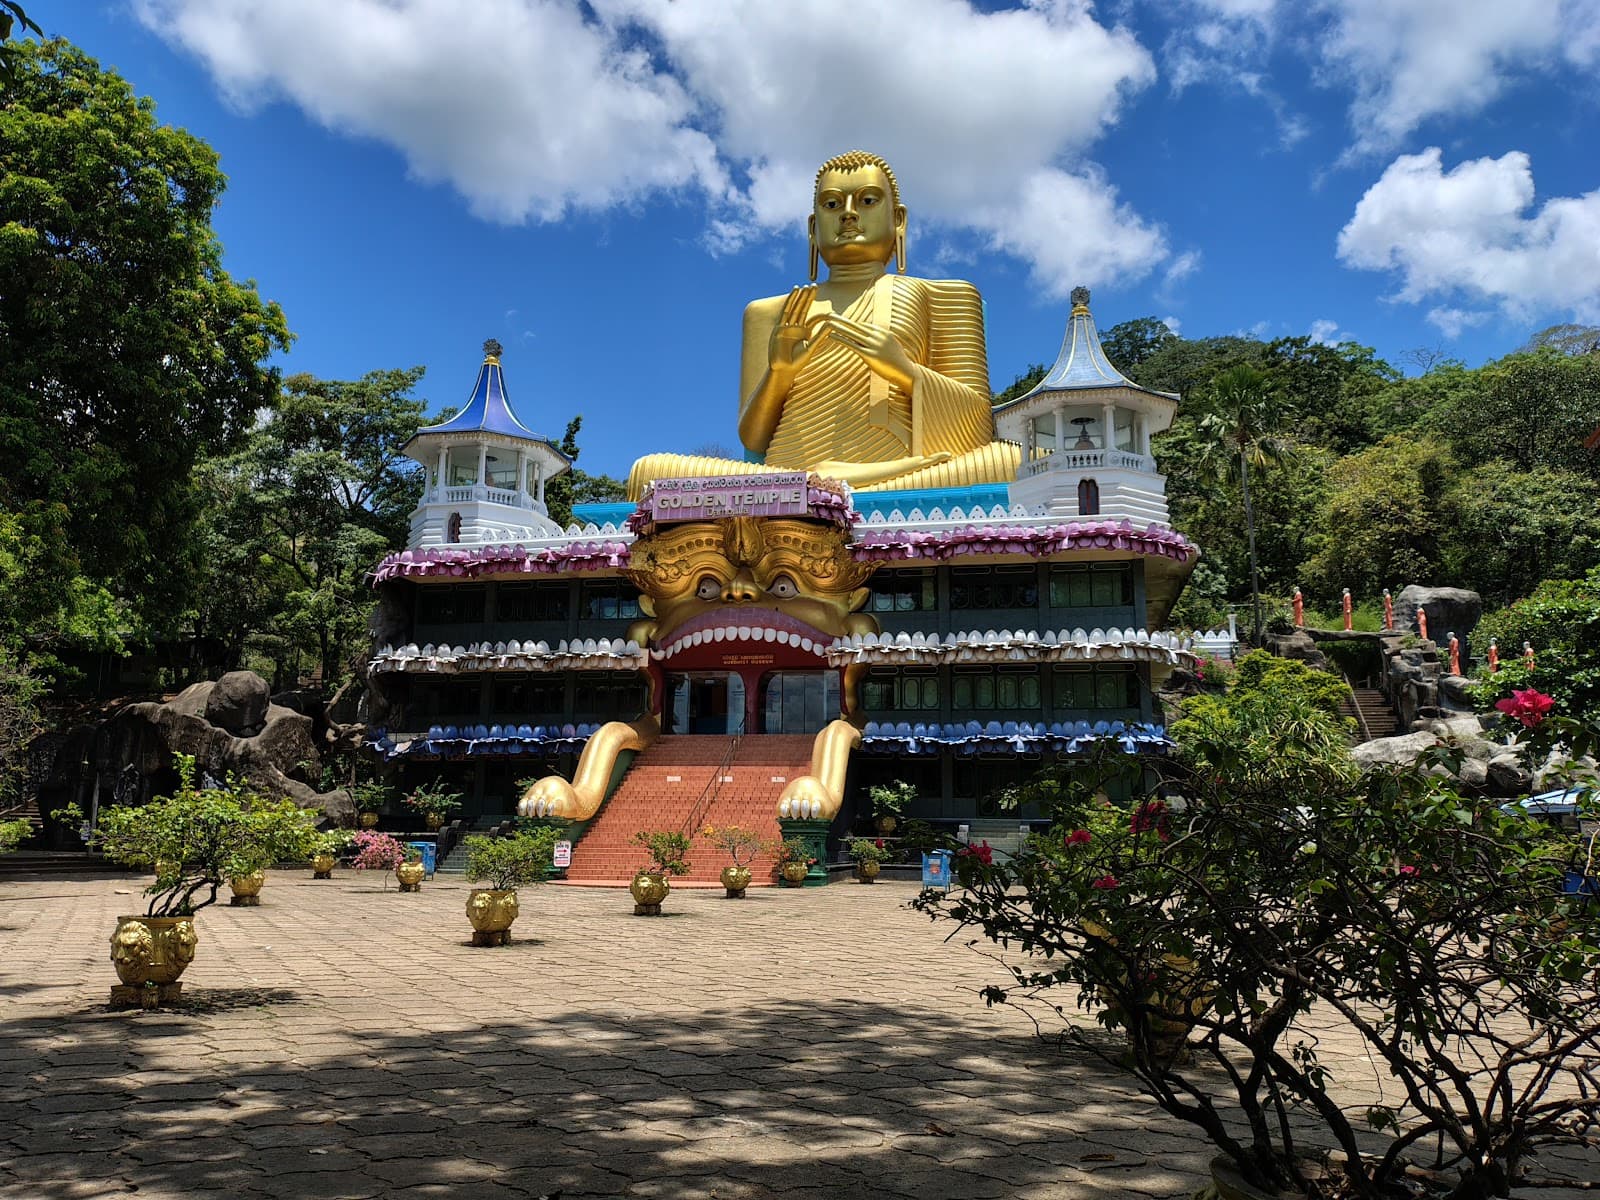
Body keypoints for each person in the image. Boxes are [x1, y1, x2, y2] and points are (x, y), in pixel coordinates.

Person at [626, 151, 1019, 498]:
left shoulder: (943, 296)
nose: (848, 214)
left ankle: (829, 487)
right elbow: (753, 439)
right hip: (783, 478)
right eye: (832, 204)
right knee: (649, 472)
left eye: (867, 200)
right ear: (813, 229)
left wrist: (905, 372)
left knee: (1008, 462)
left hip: (904, 476)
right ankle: (817, 487)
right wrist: (780, 373)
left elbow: (976, 429)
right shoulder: (770, 312)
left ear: (898, 220)